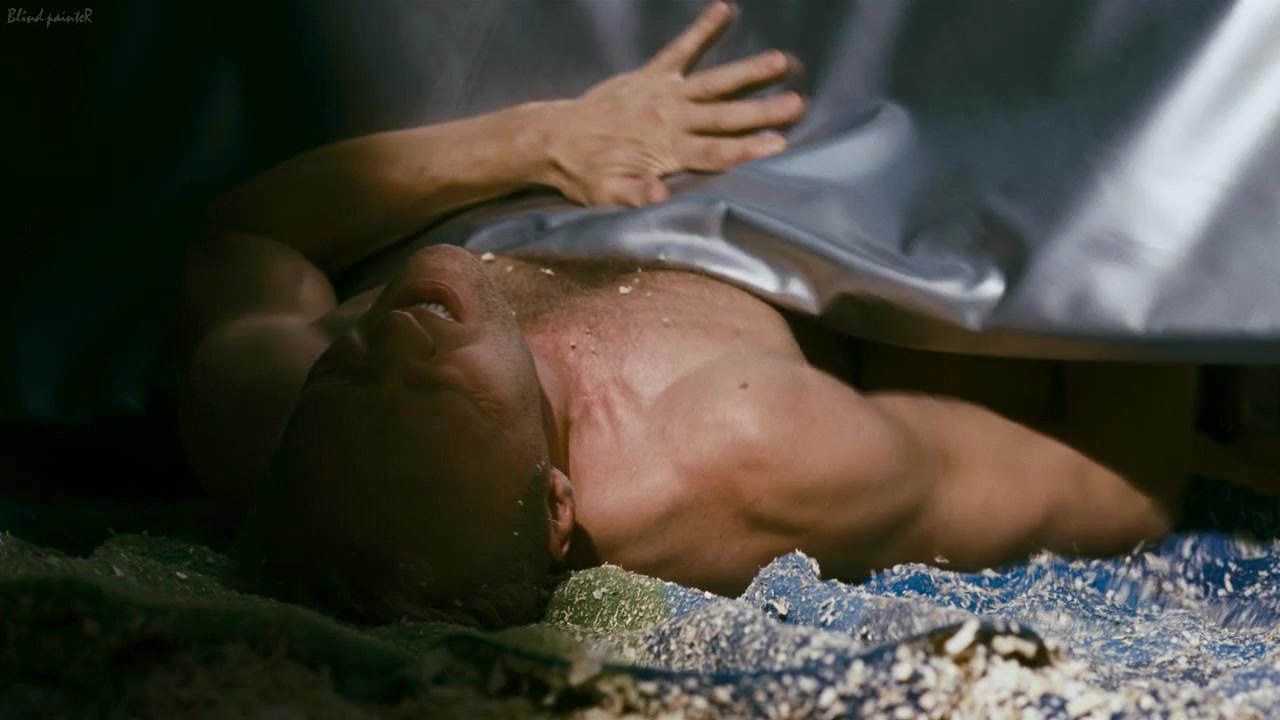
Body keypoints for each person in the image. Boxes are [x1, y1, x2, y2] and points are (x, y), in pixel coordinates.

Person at [177, 2, 1274, 628]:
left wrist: (533, 139)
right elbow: (1110, 492)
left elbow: (244, 238)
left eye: (350, 368)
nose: (390, 338)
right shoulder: (734, 448)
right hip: (884, 189)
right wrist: (1133, 226)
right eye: (432, 388)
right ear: (557, 504)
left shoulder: (277, 421)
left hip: (605, 108)